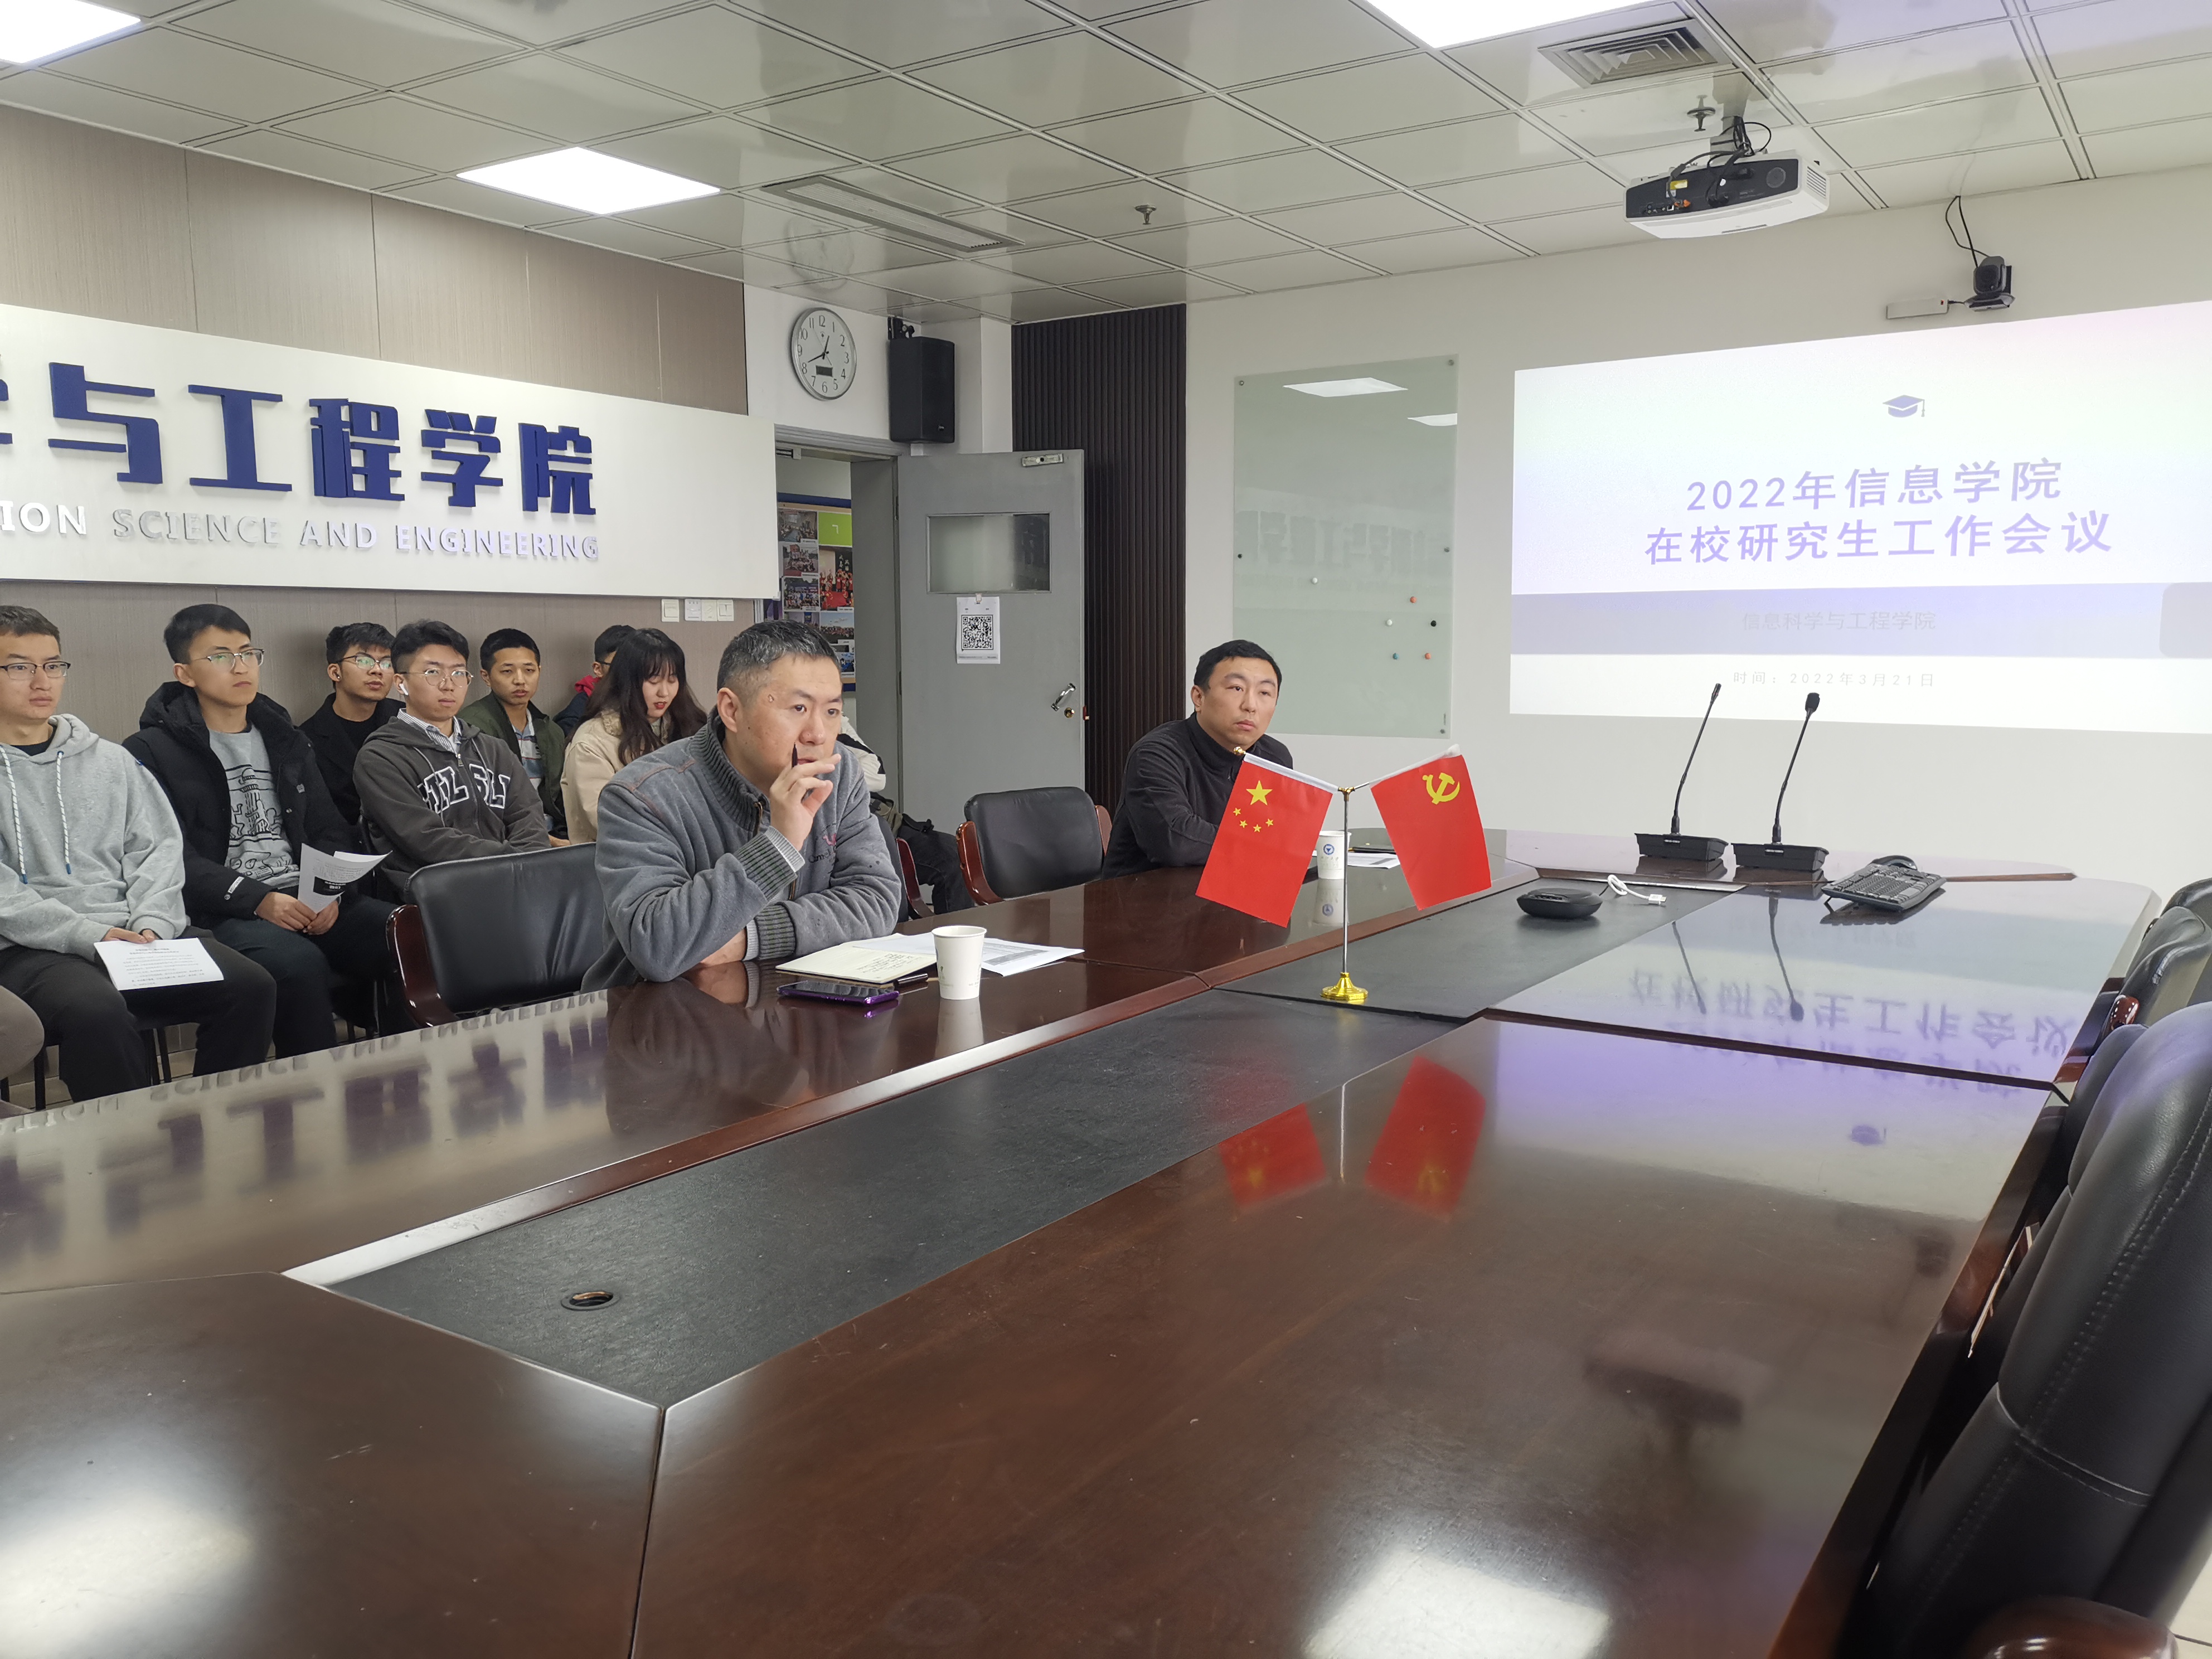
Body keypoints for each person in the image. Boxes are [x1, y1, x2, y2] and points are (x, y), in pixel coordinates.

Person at [0, 605, 276, 1100]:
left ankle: (218, 1118)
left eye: (53, 665)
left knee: (250, 985)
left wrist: (153, 922)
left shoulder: (111, 760)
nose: (42, 681)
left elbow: (158, 849)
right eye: (19, 667)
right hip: (29, 945)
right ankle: (126, 1140)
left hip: (135, 931)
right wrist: (91, 935)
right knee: (97, 1012)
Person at [125, 604, 399, 1059]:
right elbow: (168, 856)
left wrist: (328, 893)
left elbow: (328, 828)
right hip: (223, 911)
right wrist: (258, 899)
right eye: (220, 656)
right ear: (185, 673)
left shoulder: (283, 735)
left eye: (248, 653)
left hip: (305, 897)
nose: (241, 667)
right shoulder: (150, 751)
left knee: (403, 932)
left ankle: (409, 1070)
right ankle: (316, 1088)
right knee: (297, 964)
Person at [585, 619, 899, 988]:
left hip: (791, 999)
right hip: (658, 1012)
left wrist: (752, 937)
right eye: (799, 708)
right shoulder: (642, 795)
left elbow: (877, 900)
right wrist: (779, 846)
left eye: (831, 712)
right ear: (732, 710)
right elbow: (658, 946)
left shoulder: (838, 772)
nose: (817, 734)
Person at [356, 619, 550, 895]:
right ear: (401, 682)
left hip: (512, 883)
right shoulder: (380, 757)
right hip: (437, 893)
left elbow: (528, 815)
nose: (448, 685)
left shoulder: (492, 748)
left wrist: (528, 866)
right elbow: (426, 839)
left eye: (458, 673)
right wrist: (511, 863)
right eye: (433, 672)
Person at [1102, 640, 1292, 881]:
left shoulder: (1275, 757)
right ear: (1199, 697)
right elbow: (1176, 842)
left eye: (1264, 693)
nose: (1250, 706)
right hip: (1146, 897)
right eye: (1236, 688)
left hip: (1233, 890)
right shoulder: (1156, 754)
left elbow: (1277, 835)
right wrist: (1263, 844)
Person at [561, 627, 706, 843]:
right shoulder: (590, 744)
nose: (664, 692)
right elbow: (611, 825)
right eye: (653, 681)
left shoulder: (687, 727)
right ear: (627, 681)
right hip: (622, 860)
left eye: (672, 680)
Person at [460, 627, 569, 841]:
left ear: (539, 671)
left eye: (529, 670)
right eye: (507, 671)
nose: (520, 680)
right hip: (505, 839)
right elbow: (480, 808)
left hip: (552, 832)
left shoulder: (550, 730)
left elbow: (559, 799)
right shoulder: (472, 727)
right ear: (486, 677)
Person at [299, 622, 397, 826]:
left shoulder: (407, 719)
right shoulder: (307, 740)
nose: (377, 670)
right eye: (364, 661)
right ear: (336, 672)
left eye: (387, 663)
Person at [555, 624, 636, 738]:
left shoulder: (652, 698)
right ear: (598, 669)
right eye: (619, 665)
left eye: (637, 664)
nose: (630, 671)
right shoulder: (584, 705)